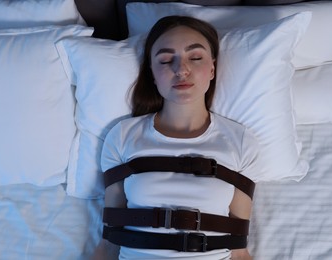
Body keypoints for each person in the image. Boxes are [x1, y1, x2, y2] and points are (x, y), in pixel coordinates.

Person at [93, 15, 258, 260]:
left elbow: (238, 247)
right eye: (166, 59)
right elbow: (109, 242)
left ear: (212, 68)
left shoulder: (240, 141)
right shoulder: (123, 135)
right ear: (152, 73)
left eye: (195, 57)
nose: (181, 70)